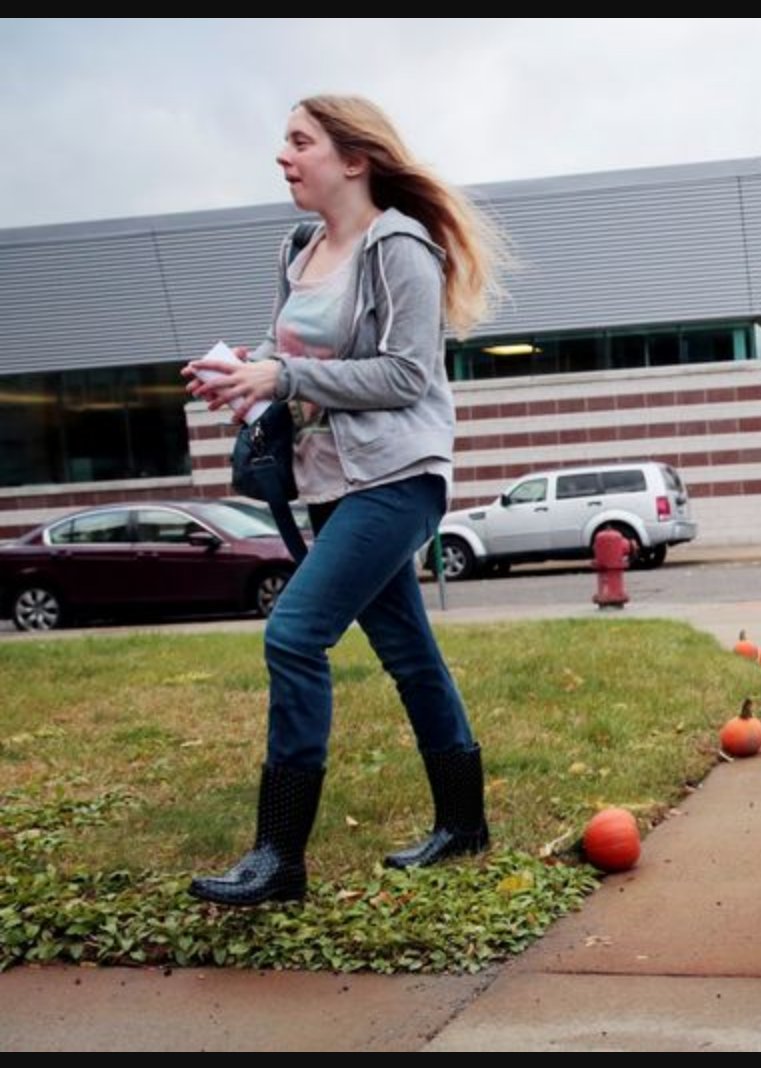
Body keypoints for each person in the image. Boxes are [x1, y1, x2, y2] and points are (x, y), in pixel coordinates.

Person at [185, 94, 500, 906]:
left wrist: (283, 377)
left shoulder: (401, 246)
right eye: (284, 142)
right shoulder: (300, 248)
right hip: (331, 480)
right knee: (410, 654)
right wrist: (241, 373)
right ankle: (464, 824)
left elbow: (406, 374)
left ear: (354, 159)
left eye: (301, 142)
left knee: (293, 634)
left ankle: (279, 856)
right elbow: (282, 344)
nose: (283, 156)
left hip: (397, 477)